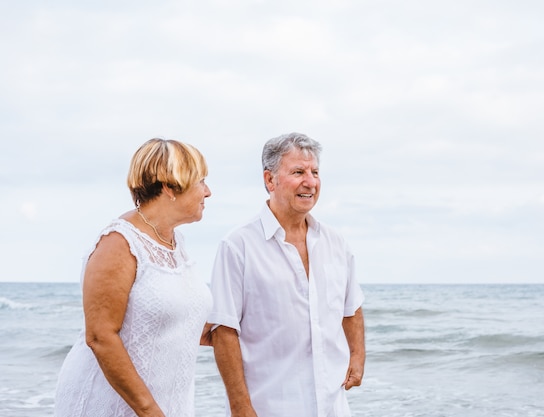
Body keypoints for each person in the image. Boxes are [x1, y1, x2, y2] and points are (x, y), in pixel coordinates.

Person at [208, 132, 365, 417]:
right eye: (298, 172)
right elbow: (224, 331)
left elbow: (350, 306)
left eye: (315, 172)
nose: (310, 182)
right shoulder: (237, 245)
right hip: (270, 406)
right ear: (270, 180)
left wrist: (357, 355)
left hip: (333, 406)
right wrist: (240, 406)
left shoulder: (336, 243)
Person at [55, 138, 214, 417]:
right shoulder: (120, 243)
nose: (208, 191)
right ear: (169, 186)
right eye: (200, 181)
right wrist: (150, 411)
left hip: (167, 404)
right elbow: (100, 336)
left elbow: (177, 323)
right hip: (114, 406)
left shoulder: (176, 245)